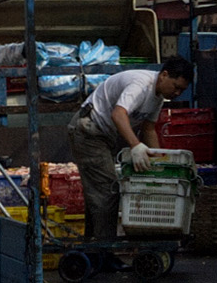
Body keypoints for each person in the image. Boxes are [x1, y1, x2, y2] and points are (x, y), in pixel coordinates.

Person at [69, 61, 190, 248]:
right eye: (176, 87)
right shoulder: (141, 85)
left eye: (181, 91)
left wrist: (160, 161)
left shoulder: (157, 97)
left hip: (104, 135)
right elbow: (118, 114)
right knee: (107, 191)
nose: (177, 93)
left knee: (99, 191)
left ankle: (94, 247)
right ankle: (104, 250)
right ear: (164, 75)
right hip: (89, 130)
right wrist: (135, 145)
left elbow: (149, 128)